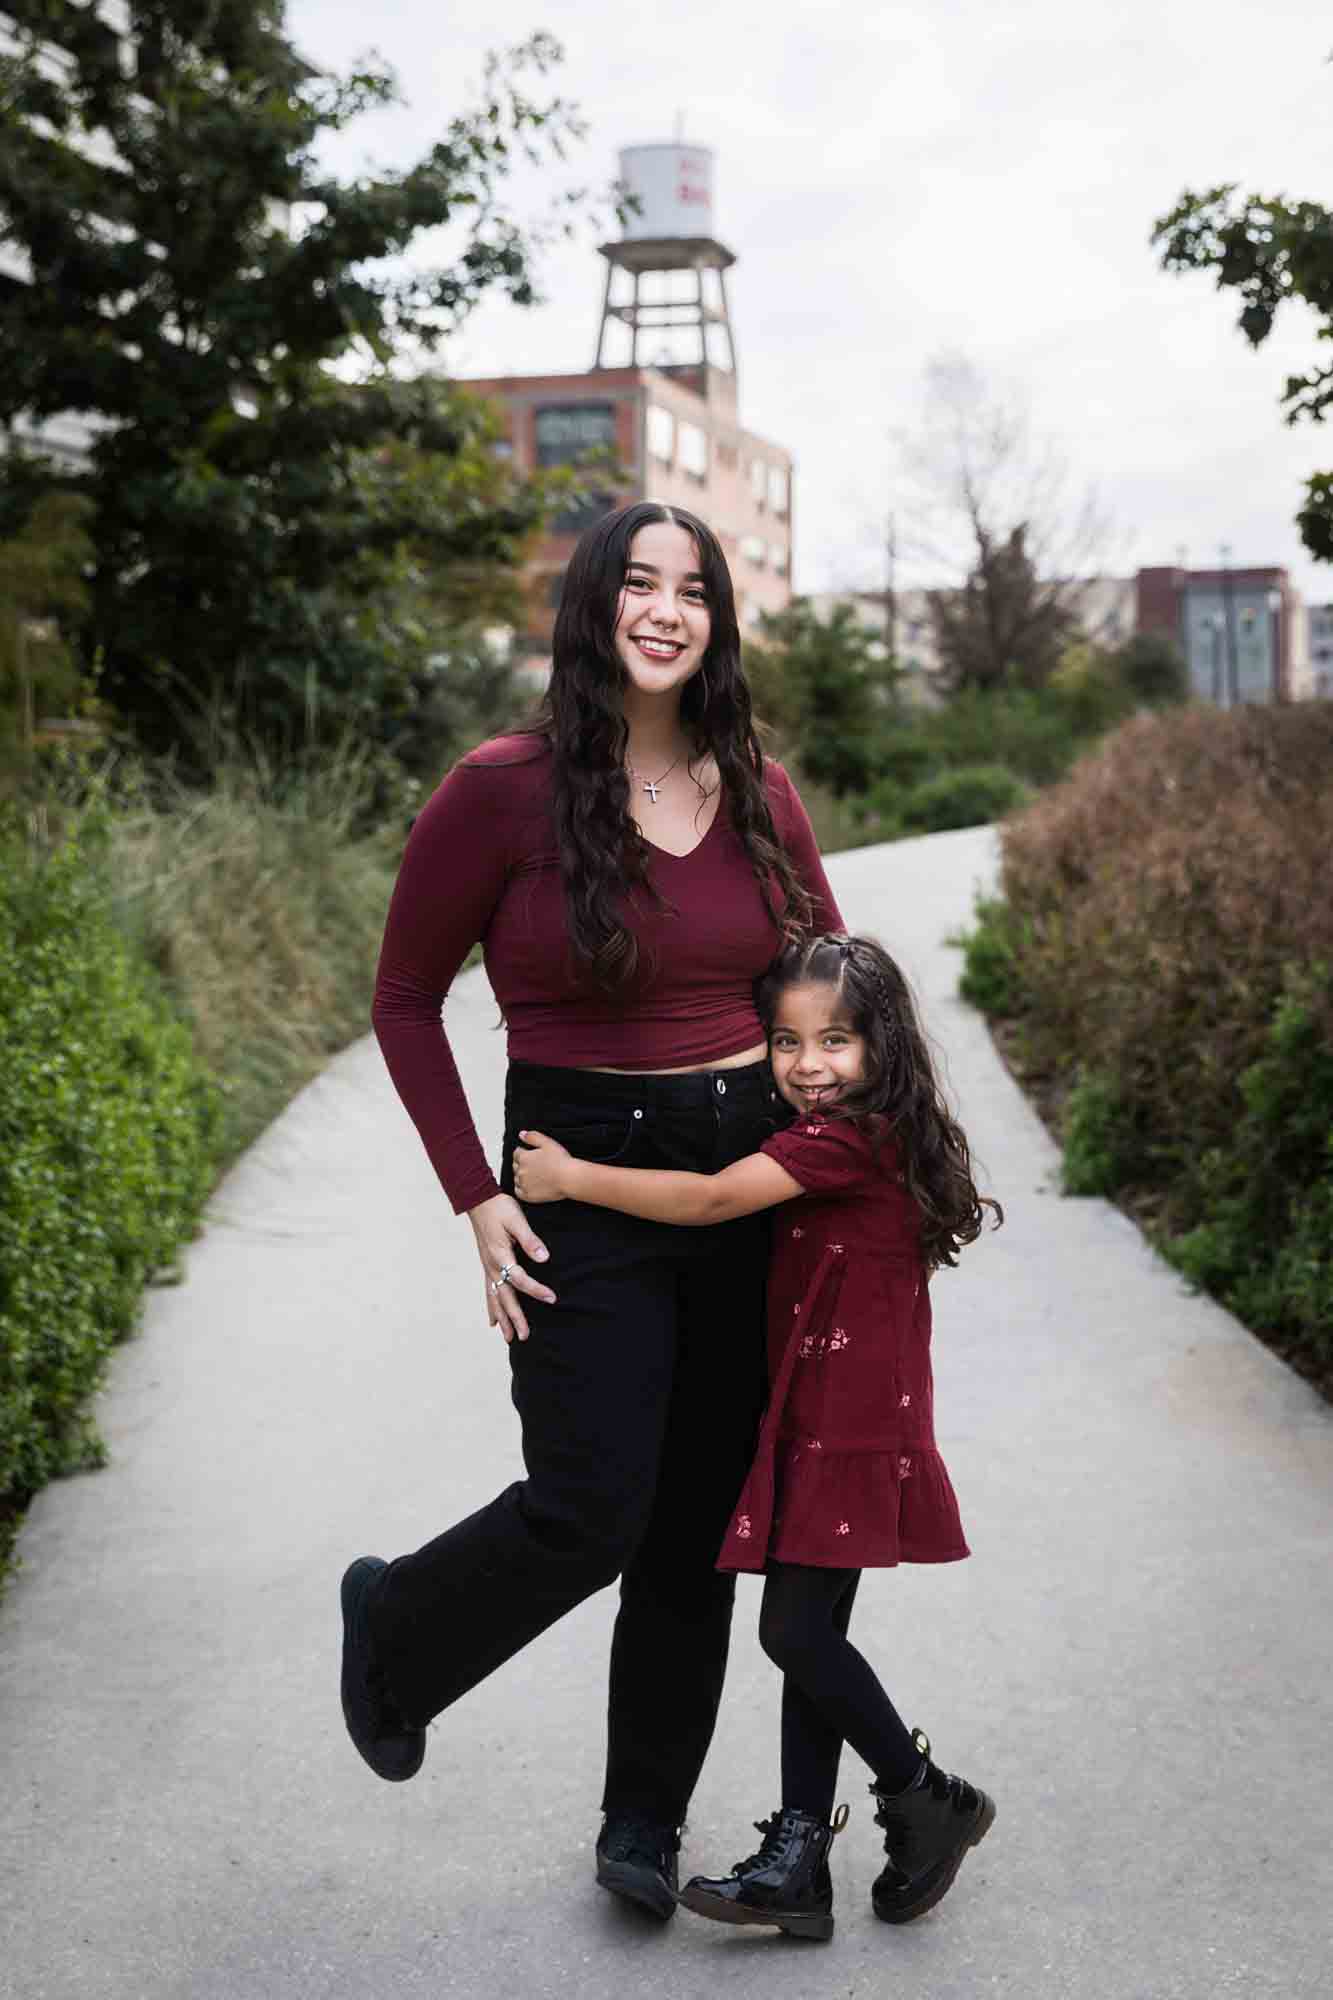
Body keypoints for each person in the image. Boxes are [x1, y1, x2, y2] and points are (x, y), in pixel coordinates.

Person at [339, 500, 843, 1923]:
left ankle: (641, 1823)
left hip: (744, 1167)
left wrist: (845, 1165)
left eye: (694, 588)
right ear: (592, 607)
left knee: (693, 1524)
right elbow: (400, 998)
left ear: (718, 620)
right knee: (590, 1501)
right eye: (639, 582)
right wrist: (474, 1193)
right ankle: (393, 1623)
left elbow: (831, 987)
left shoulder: (757, 786)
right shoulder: (500, 788)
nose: (667, 609)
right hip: (576, 1164)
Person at [513, 931, 1001, 1943]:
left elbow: (711, 1197)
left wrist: (569, 1175)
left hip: (847, 1423)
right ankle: (798, 1860)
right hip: (814, 1414)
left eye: (835, 1039)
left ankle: (926, 1793)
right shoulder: (847, 1121)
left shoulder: (848, 1135)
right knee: (808, 1633)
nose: (807, 1063)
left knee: (794, 1631)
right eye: (784, 1039)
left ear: (885, 1046)